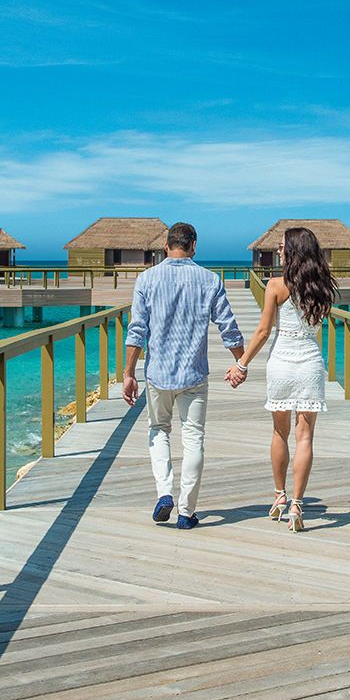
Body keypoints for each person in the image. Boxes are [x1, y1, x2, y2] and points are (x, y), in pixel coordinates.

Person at [123, 222, 245, 529]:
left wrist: (128, 373)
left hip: (157, 374)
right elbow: (228, 326)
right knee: (193, 439)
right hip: (193, 374)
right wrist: (241, 362)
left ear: (166, 246)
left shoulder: (146, 279)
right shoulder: (209, 280)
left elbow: (137, 330)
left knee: (158, 430)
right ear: (193, 246)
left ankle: (164, 491)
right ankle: (186, 511)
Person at [227, 227, 337, 532]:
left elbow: (263, 331)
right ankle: (297, 505)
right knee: (305, 437)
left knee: (279, 433)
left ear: (292, 250)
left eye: (282, 246)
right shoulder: (323, 286)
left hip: (282, 363)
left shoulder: (276, 285)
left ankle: (279, 496)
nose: (278, 251)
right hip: (310, 363)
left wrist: (242, 364)